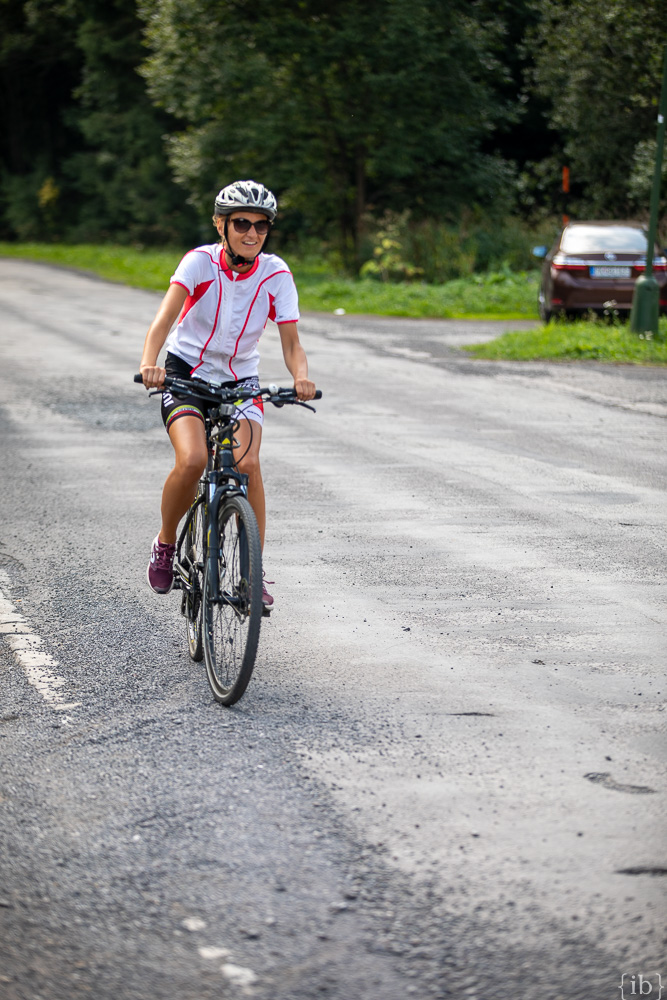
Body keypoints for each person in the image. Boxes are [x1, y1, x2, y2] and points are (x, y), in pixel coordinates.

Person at [139, 179, 316, 605]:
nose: (252, 233)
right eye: (241, 223)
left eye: (261, 225)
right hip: (186, 373)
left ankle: (252, 573)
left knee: (248, 463)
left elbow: (292, 343)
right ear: (221, 225)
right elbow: (164, 320)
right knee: (193, 459)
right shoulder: (199, 263)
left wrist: (301, 377)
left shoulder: (275, 274)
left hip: (240, 381)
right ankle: (165, 543)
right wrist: (150, 363)